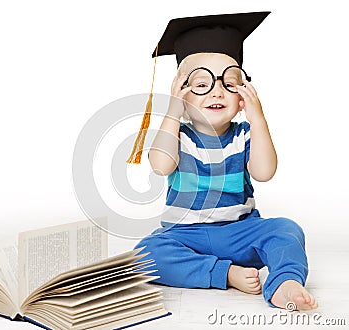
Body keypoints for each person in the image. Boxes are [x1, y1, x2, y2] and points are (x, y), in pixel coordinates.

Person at [132, 12, 318, 310]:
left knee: (286, 230)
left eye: (229, 83)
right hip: (185, 235)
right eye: (201, 84)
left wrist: (257, 117)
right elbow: (160, 165)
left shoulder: (244, 135)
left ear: (243, 93)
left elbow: (264, 171)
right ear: (181, 93)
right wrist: (171, 112)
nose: (217, 91)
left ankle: (285, 282)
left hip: (240, 231)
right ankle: (225, 273)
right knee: (146, 254)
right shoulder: (178, 135)